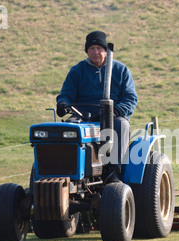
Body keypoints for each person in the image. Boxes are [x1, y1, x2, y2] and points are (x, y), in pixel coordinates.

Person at [56, 31, 138, 181]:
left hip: (113, 115)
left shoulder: (120, 70)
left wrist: (117, 111)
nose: (95, 52)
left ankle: (114, 170)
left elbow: (130, 98)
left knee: (121, 125)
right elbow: (66, 94)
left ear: (106, 50)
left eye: (99, 48)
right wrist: (63, 103)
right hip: (83, 115)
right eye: (92, 48)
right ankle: (65, 169)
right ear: (87, 51)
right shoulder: (77, 71)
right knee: (68, 128)